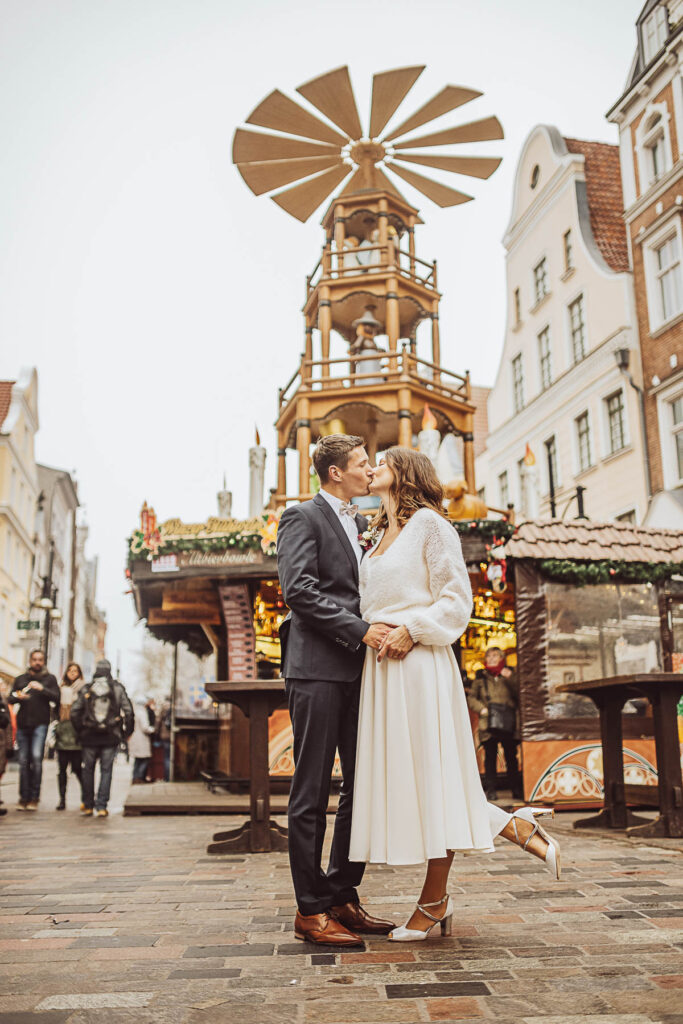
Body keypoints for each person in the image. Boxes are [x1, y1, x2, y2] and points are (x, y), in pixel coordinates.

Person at [348, 447, 561, 942]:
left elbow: (456, 600)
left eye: (384, 459)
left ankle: (433, 901)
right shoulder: (375, 535)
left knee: (433, 779)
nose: (374, 464)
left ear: (407, 473)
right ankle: (511, 825)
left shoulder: (431, 525)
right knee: (413, 781)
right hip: (382, 671)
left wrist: (413, 630)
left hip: (418, 663)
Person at [276, 433, 396, 947]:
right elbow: (298, 591)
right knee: (311, 789)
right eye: (362, 465)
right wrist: (360, 630)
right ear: (334, 474)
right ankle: (310, 909)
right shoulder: (302, 516)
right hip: (318, 668)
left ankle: (343, 893)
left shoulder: (358, 522)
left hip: (357, 670)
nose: (369, 472)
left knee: (362, 784)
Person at [71, 659, 134, 817]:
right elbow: (128, 711)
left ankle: (87, 804)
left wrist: (81, 729)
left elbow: (74, 711)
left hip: (89, 735)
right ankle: (101, 806)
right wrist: (126, 733)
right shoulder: (117, 688)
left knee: (88, 770)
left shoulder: (87, 688)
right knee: (106, 771)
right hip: (110, 735)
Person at [467, 647, 523, 800]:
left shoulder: (510, 674)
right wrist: (482, 709)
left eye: (495, 656)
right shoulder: (481, 678)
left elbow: (521, 694)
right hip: (488, 722)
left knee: (511, 757)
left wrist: (510, 677)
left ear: (502, 658)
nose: (491, 659)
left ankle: (516, 788)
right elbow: (471, 698)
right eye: (489, 656)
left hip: (508, 721)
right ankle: (491, 790)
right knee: (490, 757)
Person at [8, 649, 60, 810]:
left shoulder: (49, 679)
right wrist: (18, 697)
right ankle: (24, 797)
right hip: (23, 724)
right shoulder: (21, 679)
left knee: (36, 759)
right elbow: (10, 697)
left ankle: (34, 798)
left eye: (40, 659)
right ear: (30, 661)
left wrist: (41, 689)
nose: (37, 662)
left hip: (40, 724)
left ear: (43, 661)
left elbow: (56, 697)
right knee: (24, 762)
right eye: (34, 659)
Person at [54, 662, 86, 811]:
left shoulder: (83, 689)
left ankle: (86, 798)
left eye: (75, 671)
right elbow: (55, 710)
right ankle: (62, 800)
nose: (72, 673)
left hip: (76, 732)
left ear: (79, 673)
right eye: (70, 670)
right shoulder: (61, 689)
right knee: (62, 769)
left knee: (78, 768)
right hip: (63, 731)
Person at [129, 696, 154, 784]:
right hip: (142, 739)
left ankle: (135, 777)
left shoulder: (134, 712)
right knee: (144, 758)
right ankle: (139, 777)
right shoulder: (142, 713)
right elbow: (145, 727)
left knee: (138, 759)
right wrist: (152, 729)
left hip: (135, 738)